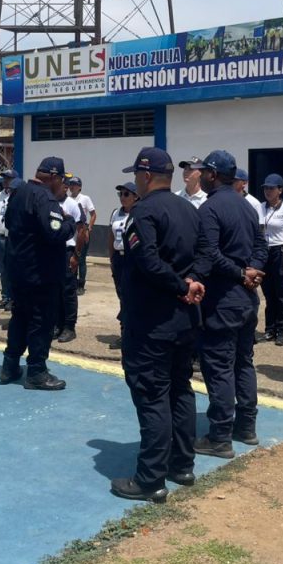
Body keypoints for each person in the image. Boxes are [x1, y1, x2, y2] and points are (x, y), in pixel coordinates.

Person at [111, 147, 204, 503]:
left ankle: (150, 479)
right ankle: (182, 465)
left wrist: (181, 286)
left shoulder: (143, 212)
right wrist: (192, 282)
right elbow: (204, 254)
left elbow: (147, 261)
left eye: (136, 175)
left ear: (146, 176)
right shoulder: (188, 209)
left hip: (152, 322)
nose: (135, 182)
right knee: (180, 390)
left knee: (152, 396)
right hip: (184, 320)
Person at [188, 150, 267, 458]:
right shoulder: (247, 206)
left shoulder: (210, 208)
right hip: (246, 299)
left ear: (212, 174)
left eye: (203, 171)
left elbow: (209, 253)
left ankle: (220, 435)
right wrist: (252, 271)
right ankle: (246, 426)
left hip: (223, 300)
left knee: (219, 367)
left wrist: (240, 274)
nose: (199, 175)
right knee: (243, 362)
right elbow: (261, 245)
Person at [0, 156, 76, 390]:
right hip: (40, 274)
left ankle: (9, 365)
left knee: (20, 318)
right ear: (53, 177)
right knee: (41, 322)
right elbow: (55, 232)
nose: (62, 185)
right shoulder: (45, 198)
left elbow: (9, 223)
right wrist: (70, 222)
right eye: (61, 180)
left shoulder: (18, 193)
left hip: (18, 271)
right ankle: (37, 372)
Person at [259, 174, 283, 345]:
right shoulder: (260, 207)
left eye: (271, 188)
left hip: (280, 251)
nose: (268, 191)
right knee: (268, 292)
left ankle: (282, 330)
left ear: (280, 190)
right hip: (265, 251)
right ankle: (270, 329)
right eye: (266, 188)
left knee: (281, 292)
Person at [54, 184, 87, 343]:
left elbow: (81, 231)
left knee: (68, 291)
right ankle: (57, 324)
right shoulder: (51, 203)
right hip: (53, 251)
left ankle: (69, 327)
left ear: (65, 187)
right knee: (55, 290)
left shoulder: (73, 205)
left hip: (68, 251)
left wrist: (76, 255)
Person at [0, 169, 18, 311]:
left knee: (11, 269)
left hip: (10, 238)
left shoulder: (16, 194)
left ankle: (13, 298)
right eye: (4, 178)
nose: (5, 181)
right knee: (2, 269)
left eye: (8, 178)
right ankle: (5, 297)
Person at [108, 182, 139, 300]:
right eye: (120, 194)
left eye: (126, 194)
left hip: (132, 257)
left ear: (135, 196)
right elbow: (111, 236)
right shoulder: (116, 213)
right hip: (118, 257)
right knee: (120, 290)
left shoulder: (139, 213)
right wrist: (112, 258)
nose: (122, 197)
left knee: (132, 291)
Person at [67, 176, 96, 294]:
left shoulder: (85, 199)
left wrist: (89, 228)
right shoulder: (67, 199)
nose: (72, 187)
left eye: (74, 184)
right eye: (70, 184)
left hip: (82, 230)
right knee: (72, 257)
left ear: (79, 187)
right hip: (71, 232)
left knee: (81, 258)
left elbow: (93, 214)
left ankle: (81, 285)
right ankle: (73, 282)